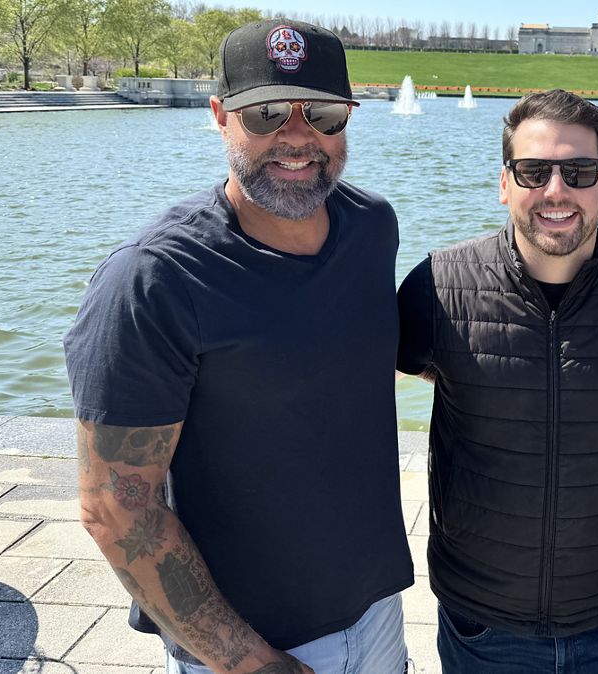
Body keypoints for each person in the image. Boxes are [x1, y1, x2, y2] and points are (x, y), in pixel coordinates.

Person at [65, 19, 412, 674]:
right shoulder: (152, 280)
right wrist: (249, 663)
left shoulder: (372, 227)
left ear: (348, 119)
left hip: (377, 611)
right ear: (221, 116)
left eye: (324, 113)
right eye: (267, 112)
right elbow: (114, 508)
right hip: (248, 644)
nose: (297, 135)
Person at [396, 89, 598, 673]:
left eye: (579, 172)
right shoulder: (438, 285)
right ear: (505, 183)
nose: (556, 191)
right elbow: (361, 375)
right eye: (534, 171)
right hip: (482, 619)